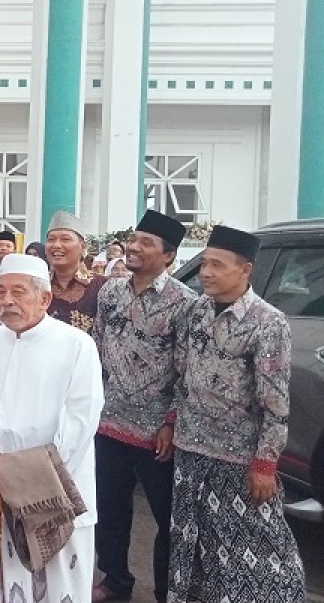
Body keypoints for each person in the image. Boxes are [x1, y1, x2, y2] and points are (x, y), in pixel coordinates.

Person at [168, 226, 306, 601]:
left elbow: (275, 402)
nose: (206, 272)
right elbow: (181, 373)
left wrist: (265, 463)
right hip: (190, 451)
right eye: (205, 264)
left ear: (245, 270)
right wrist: (170, 422)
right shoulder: (196, 311)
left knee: (254, 544)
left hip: (238, 458)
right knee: (191, 541)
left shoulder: (268, 322)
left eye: (217, 265)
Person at [0, 254, 105, 601]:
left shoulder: (76, 345)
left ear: (45, 299)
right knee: (5, 582)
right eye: (0, 292)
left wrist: (19, 475)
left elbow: (81, 419)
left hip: (55, 487)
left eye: (18, 292)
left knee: (60, 587)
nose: (7, 301)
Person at [91, 210, 196, 603]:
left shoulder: (185, 303)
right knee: (110, 510)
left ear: (168, 256)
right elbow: (97, 349)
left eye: (146, 243)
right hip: (109, 422)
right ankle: (115, 580)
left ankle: (167, 592)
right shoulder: (110, 292)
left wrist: (171, 422)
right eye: (133, 240)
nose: (133, 247)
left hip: (158, 432)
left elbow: (188, 371)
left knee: (167, 519)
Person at [46, 210, 106, 332]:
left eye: (65, 239)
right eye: (51, 239)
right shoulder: (38, 284)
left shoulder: (102, 286)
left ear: (83, 247)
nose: (56, 245)